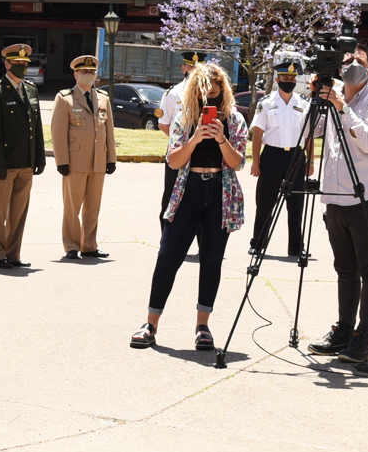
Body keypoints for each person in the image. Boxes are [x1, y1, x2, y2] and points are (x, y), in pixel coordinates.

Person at [132, 61, 248, 351]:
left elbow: (237, 162)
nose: (210, 91)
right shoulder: (184, 120)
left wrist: (221, 138)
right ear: (195, 89)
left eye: (216, 85)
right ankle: (151, 323)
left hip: (219, 194)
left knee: (211, 261)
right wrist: (196, 138)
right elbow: (173, 160)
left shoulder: (234, 120)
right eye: (204, 86)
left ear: (223, 88)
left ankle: (202, 326)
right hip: (188, 192)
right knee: (168, 256)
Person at [305, 50, 368, 369]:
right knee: (344, 269)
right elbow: (307, 134)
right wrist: (315, 99)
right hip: (335, 197)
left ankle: (363, 338)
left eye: (361, 62)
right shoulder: (331, 98)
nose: (353, 67)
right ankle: (343, 330)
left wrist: (342, 107)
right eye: (348, 62)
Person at [0, 42, 44, 268]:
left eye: (25, 63)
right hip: (4, 163)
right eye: (18, 63)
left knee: (18, 213)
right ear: (7, 64)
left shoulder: (31, 90)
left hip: (25, 162)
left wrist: (39, 157)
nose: (22, 67)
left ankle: (13, 254)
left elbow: (36, 127)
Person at [50, 54, 117, 259]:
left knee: (93, 207)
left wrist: (111, 158)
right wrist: (61, 160)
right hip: (75, 162)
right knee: (72, 206)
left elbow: (109, 131)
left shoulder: (103, 98)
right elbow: (58, 132)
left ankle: (89, 245)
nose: (89, 75)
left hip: (98, 161)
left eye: (92, 72)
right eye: (85, 72)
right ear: (75, 74)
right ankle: (71, 245)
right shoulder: (65, 98)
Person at [247, 57, 309, 260]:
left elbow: (307, 135)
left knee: (296, 203)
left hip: (296, 156)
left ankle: (296, 247)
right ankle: (258, 243)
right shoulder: (266, 104)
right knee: (265, 202)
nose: (289, 80)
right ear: (277, 79)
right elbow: (257, 133)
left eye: (292, 77)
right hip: (272, 155)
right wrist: (256, 162)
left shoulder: (303, 104)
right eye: (285, 76)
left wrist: (312, 162)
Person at [156, 50, 200, 216]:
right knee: (171, 195)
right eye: (191, 67)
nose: (194, 71)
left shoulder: (211, 92)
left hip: (202, 153)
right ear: (183, 69)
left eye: (198, 68)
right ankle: (166, 238)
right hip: (179, 151)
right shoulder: (173, 93)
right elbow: (164, 124)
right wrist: (181, 143)